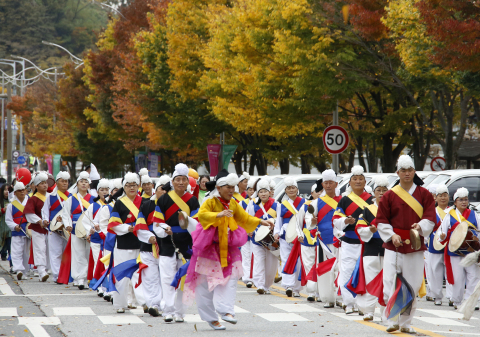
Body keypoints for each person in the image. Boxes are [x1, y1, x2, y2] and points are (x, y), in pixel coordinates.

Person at [184, 170, 271, 330]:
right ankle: (211, 318)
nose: (231, 190)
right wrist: (218, 215)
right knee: (205, 283)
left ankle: (226, 311)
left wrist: (259, 221)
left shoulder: (233, 203)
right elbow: (202, 215)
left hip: (227, 247)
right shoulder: (210, 200)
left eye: (233, 187)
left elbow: (244, 218)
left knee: (230, 279)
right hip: (209, 246)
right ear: (219, 187)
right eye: (228, 187)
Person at [376, 155, 435, 333]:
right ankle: (392, 320)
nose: (407, 174)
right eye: (403, 171)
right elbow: (381, 220)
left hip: (415, 244)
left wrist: (421, 226)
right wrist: (391, 234)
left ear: (414, 171)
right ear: (398, 173)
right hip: (394, 244)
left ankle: (406, 323)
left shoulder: (424, 194)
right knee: (390, 283)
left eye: (410, 170)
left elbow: (431, 218)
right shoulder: (389, 195)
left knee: (412, 284)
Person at [152, 163, 200, 323]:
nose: (180, 182)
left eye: (184, 180)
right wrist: (165, 228)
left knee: (184, 278)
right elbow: (157, 222)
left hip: (186, 244)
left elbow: (197, 223)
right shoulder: (164, 199)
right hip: (167, 243)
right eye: (177, 179)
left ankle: (180, 312)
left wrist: (187, 227)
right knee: (166, 277)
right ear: (172, 182)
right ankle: (168, 310)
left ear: (188, 182)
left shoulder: (193, 201)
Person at [333, 165, 374, 314]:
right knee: (347, 271)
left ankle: (363, 304)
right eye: (355, 179)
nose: (357, 181)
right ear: (350, 182)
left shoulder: (371, 200)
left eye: (360, 179)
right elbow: (336, 219)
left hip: (367, 242)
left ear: (365, 182)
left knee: (365, 271)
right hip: (349, 241)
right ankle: (348, 303)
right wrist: (346, 221)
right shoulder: (344, 200)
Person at [300, 170, 341, 306]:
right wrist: (312, 221)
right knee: (325, 270)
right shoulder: (317, 203)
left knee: (340, 269)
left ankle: (340, 298)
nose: (328, 185)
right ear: (322, 184)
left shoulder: (343, 201)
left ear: (336, 184)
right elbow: (308, 219)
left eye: (331, 183)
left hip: (340, 241)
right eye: (326, 183)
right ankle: (328, 298)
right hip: (323, 241)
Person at [135, 174, 171, 317]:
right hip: (148, 247)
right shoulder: (146, 205)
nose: (164, 192)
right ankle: (153, 304)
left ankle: (165, 304)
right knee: (150, 277)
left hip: (166, 248)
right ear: (156, 190)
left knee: (165, 278)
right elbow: (140, 225)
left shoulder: (172, 207)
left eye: (167, 190)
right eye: (162, 189)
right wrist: (149, 237)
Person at [108, 172, 144, 313]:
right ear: (124, 187)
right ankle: (119, 304)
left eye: (134, 185)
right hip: (123, 243)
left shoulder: (144, 202)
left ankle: (143, 302)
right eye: (128, 185)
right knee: (122, 275)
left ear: (138, 186)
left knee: (140, 274)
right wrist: (127, 228)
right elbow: (113, 223)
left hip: (141, 243)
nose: (131, 188)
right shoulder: (119, 203)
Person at [440, 187, 480, 310]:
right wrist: (442, 236)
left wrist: (476, 239)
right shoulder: (449, 215)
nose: (464, 202)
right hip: (455, 251)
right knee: (457, 278)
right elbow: (442, 232)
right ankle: (457, 301)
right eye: (461, 200)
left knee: (473, 276)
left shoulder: (474, 214)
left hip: (471, 251)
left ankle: (470, 302)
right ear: (455, 202)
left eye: (466, 199)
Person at [355, 176, 389, 321]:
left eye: (384, 190)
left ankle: (385, 312)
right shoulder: (367, 210)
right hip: (371, 250)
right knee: (370, 281)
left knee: (387, 282)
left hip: (388, 249)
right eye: (378, 190)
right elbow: (359, 228)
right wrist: (370, 230)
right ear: (373, 192)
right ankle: (369, 311)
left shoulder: (392, 209)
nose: (381, 193)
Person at [61, 171, 95, 289]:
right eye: (81, 182)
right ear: (77, 184)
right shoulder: (71, 198)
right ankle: (80, 278)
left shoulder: (93, 199)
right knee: (78, 254)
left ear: (89, 185)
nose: (84, 184)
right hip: (76, 229)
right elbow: (65, 214)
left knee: (88, 253)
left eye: (86, 182)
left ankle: (87, 278)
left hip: (89, 230)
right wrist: (68, 225)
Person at [247, 178, 278, 295]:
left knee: (271, 264)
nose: (263, 194)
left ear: (269, 192)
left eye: (265, 191)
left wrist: (276, 233)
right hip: (257, 238)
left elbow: (278, 221)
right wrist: (249, 230)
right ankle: (259, 284)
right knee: (259, 261)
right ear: (257, 193)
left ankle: (267, 285)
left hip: (271, 239)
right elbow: (248, 218)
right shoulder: (252, 203)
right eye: (261, 191)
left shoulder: (276, 204)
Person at [274, 177, 304, 297]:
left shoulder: (304, 202)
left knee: (298, 262)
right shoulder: (282, 205)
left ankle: (297, 288)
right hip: (285, 234)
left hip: (300, 234)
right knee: (286, 259)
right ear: (285, 191)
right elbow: (279, 221)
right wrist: (277, 232)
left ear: (297, 189)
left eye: (293, 188)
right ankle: (288, 286)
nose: (291, 190)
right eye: (288, 188)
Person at [41, 171, 70, 283]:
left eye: (66, 181)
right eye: (62, 181)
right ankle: (57, 275)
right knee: (55, 252)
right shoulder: (50, 196)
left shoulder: (71, 196)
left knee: (66, 253)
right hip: (53, 229)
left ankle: (66, 275)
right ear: (57, 183)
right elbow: (45, 211)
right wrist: (45, 220)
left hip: (66, 229)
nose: (64, 183)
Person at [83, 178, 109, 295]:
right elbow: (85, 221)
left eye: (106, 189)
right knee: (97, 262)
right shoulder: (93, 206)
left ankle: (107, 287)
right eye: (102, 190)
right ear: (97, 192)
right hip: (96, 239)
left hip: (108, 239)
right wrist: (91, 229)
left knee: (107, 263)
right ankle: (99, 286)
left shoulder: (111, 204)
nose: (104, 192)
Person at [426, 184, 450, 306]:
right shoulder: (431, 212)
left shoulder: (452, 212)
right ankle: (437, 296)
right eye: (440, 196)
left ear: (449, 197)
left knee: (450, 271)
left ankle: (452, 297)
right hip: (434, 246)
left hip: (450, 245)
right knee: (435, 271)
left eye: (445, 195)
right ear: (436, 198)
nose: (442, 198)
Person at [24, 172, 50, 282]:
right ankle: (41, 271)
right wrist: (39, 220)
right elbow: (29, 213)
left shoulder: (51, 196)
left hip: (51, 227)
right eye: (42, 183)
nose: (45, 185)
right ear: (37, 186)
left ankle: (49, 269)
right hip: (38, 227)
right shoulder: (33, 199)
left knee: (50, 250)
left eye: (46, 183)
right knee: (40, 249)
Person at [6, 182, 30, 280]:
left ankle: (25, 271)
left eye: (23, 190)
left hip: (27, 230)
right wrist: (15, 226)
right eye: (19, 190)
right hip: (17, 230)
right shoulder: (11, 205)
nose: (22, 192)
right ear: (15, 192)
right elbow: (8, 220)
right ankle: (19, 269)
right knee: (17, 251)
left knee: (26, 252)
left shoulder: (29, 202)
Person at [0, 183, 12, 265]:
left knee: (11, 248)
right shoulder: (1, 201)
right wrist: (4, 209)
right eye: (5, 190)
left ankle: (12, 265)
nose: (7, 192)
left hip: (10, 230)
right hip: (1, 229)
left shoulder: (13, 201)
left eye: (8, 190)